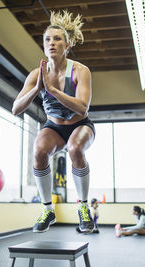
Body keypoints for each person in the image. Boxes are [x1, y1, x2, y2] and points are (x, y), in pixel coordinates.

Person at [12, 10, 95, 233]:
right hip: (54, 127)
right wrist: (38, 89)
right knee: (39, 151)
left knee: (75, 149)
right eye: (48, 39)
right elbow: (15, 109)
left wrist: (53, 91)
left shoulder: (80, 71)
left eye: (57, 39)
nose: (52, 43)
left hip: (81, 125)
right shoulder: (36, 74)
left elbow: (82, 107)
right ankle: (48, 210)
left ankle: (84, 207)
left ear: (67, 45)